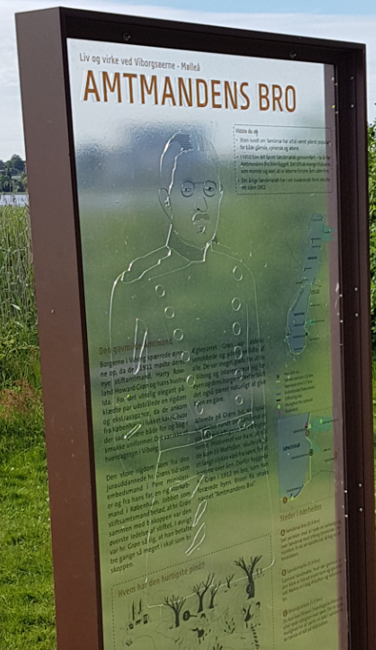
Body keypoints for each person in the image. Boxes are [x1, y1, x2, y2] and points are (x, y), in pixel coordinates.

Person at [105, 132, 265, 559]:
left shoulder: (239, 275)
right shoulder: (137, 282)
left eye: (211, 189)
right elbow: (120, 395)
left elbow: (252, 373)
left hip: (236, 459)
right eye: (188, 190)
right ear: (165, 199)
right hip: (173, 462)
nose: (201, 204)